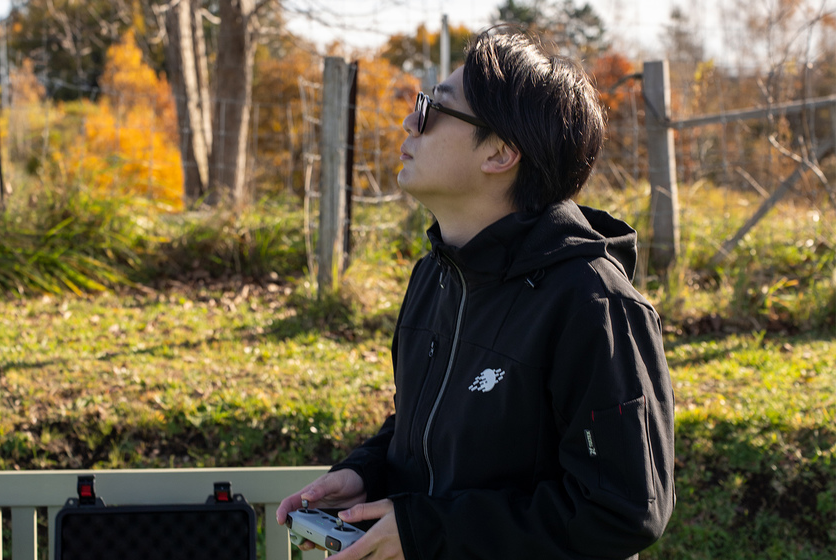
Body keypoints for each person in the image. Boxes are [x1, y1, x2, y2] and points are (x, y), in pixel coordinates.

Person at [277, 27, 676, 560]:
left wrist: (429, 533)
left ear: (500, 152)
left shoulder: (595, 305)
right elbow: (429, 426)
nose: (409, 121)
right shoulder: (433, 276)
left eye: (432, 108)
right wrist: (366, 472)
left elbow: (623, 511)